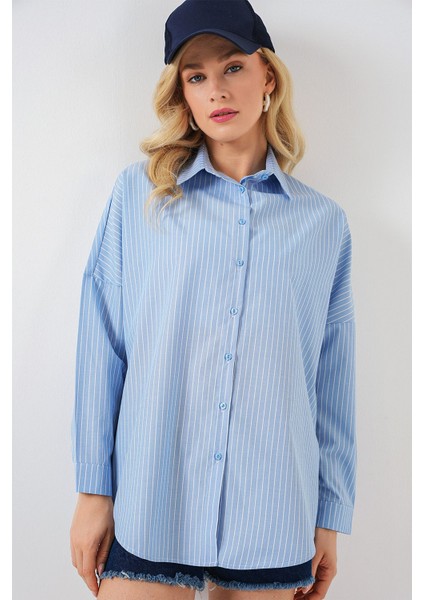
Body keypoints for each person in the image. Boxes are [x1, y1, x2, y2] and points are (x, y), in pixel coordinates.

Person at [70, 1, 357, 599]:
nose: (217, 90)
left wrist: (330, 514)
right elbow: (102, 345)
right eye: (196, 75)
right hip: (152, 503)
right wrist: (94, 492)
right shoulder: (140, 197)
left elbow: (331, 381)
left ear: (267, 76)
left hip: (273, 512)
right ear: (182, 94)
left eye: (233, 67)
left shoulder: (323, 224)